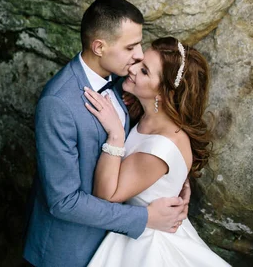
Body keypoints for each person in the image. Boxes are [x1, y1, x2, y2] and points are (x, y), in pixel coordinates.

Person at [23, 0, 189, 267]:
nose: (138, 55)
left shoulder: (126, 80)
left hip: (115, 246)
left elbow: (155, 140)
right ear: (99, 47)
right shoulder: (58, 104)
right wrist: (146, 218)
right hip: (68, 251)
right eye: (131, 46)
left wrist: (176, 186)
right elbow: (63, 202)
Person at [84, 37, 230, 266]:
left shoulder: (161, 146)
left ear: (164, 92)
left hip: (146, 245)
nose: (131, 69)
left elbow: (105, 196)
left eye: (143, 71)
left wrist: (116, 136)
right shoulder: (149, 116)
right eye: (139, 62)